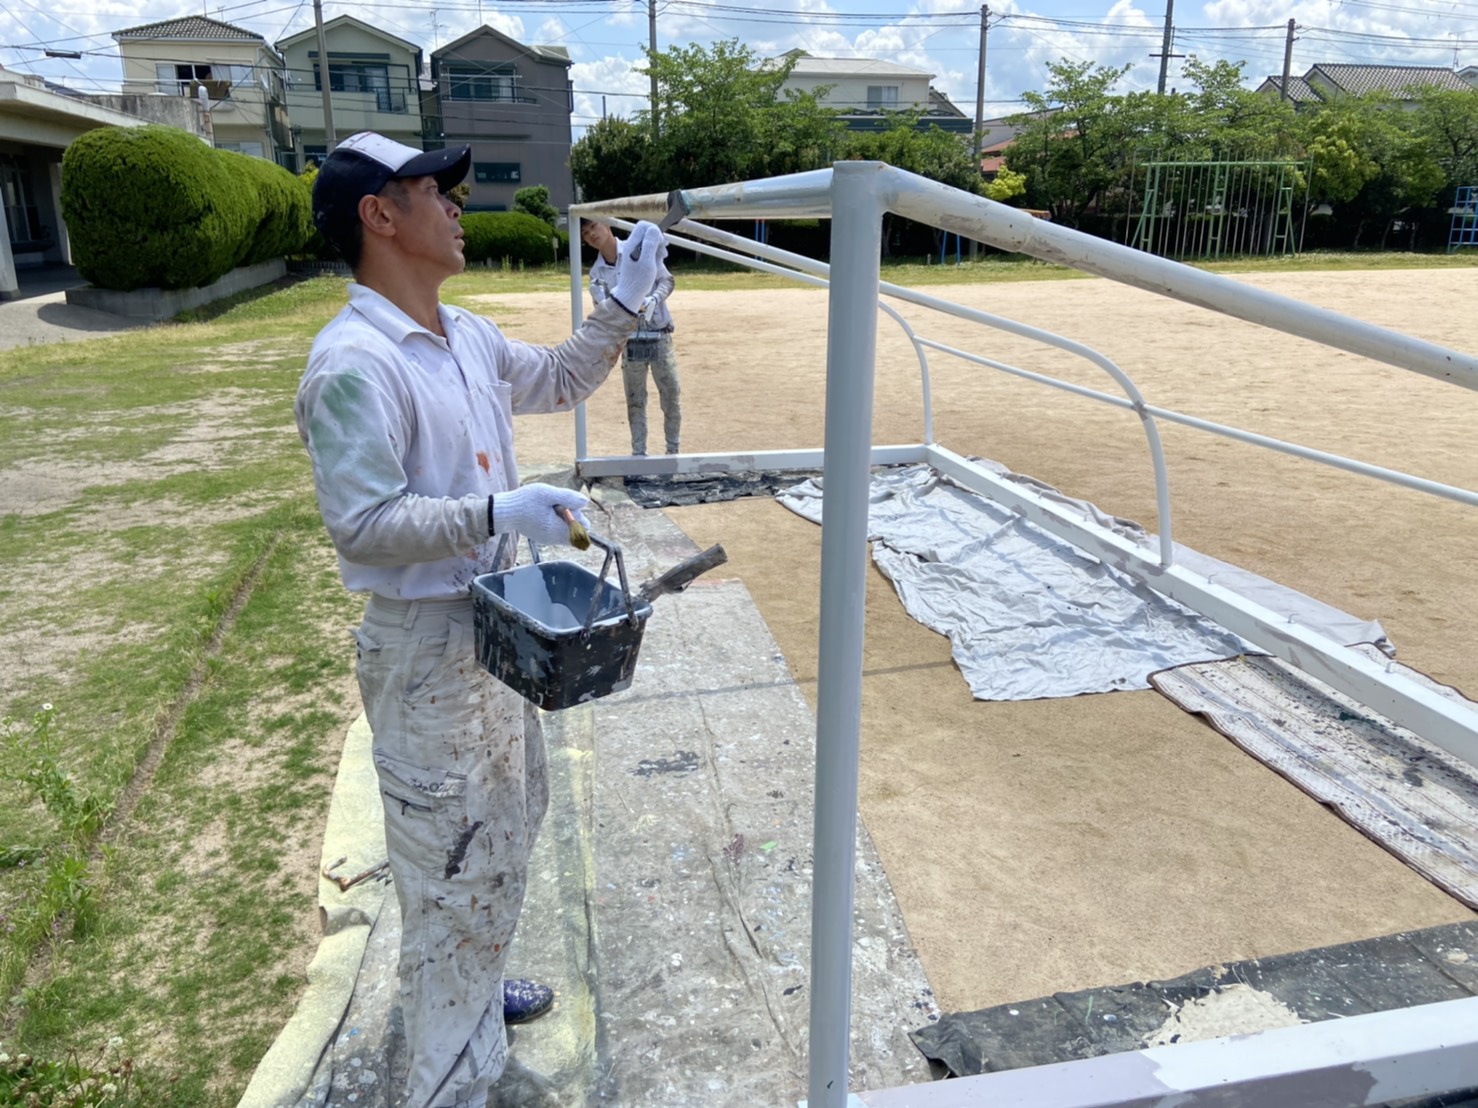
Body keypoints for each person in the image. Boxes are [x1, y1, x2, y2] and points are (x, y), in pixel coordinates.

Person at [294, 131, 669, 1108]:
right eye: (435, 190)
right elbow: (366, 524)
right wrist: (497, 511)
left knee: (502, 826)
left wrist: (620, 302)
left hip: (493, 631)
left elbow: (557, 377)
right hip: (422, 652)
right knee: (450, 859)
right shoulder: (352, 365)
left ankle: (465, 980)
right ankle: (450, 1082)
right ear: (379, 215)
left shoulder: (459, 336)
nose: (458, 205)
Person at [580, 218, 681, 455]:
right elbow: (604, 310)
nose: (591, 234)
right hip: (630, 340)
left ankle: (673, 452)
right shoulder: (597, 273)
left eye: (594, 226)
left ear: (607, 225)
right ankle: (638, 454)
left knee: (671, 394)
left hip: (658, 333)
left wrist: (654, 299)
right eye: (585, 233)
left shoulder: (637, 249)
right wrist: (601, 303)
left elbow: (667, 279)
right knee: (635, 400)